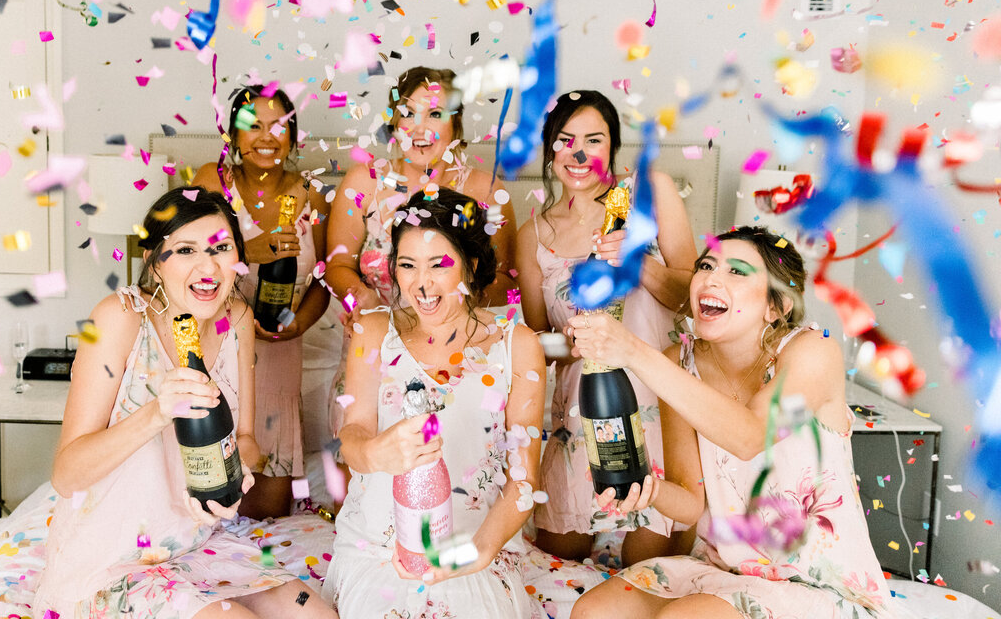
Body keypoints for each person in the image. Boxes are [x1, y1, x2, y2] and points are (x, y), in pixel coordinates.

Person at [32, 187, 335, 619]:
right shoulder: (118, 318)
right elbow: (66, 475)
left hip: (199, 543)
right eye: (186, 250)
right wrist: (157, 412)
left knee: (315, 615)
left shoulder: (238, 318)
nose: (207, 266)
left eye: (221, 248)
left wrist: (238, 474)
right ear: (156, 262)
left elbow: (247, 442)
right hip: (116, 556)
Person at [569, 227, 893, 619]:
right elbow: (690, 503)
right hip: (724, 569)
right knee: (593, 612)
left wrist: (632, 351)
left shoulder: (813, 353)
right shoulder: (679, 362)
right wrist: (647, 490)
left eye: (737, 272)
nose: (712, 278)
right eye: (706, 266)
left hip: (817, 585)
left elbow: (750, 436)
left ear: (776, 306)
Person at [323, 188, 545, 618]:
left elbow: (524, 479)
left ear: (472, 265)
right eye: (407, 266)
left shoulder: (518, 344)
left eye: (438, 266)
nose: (420, 285)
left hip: (478, 543)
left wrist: (478, 552)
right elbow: (352, 438)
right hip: (382, 547)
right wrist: (373, 451)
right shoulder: (372, 331)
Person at [515, 90, 695, 564]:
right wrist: (574, 344)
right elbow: (538, 344)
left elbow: (693, 297)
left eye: (593, 140)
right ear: (549, 147)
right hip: (580, 419)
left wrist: (641, 266)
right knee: (558, 575)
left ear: (612, 147)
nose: (579, 153)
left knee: (647, 575)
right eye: (565, 139)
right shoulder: (532, 236)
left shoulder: (647, 194)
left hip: (655, 414)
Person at [324, 65, 519, 484]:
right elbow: (337, 266)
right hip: (374, 350)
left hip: (454, 353)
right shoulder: (364, 181)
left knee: (452, 475)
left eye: (434, 114)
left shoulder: (485, 190)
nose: (419, 127)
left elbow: (505, 280)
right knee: (367, 476)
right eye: (408, 113)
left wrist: (450, 308)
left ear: (456, 124)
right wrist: (365, 300)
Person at [193, 85, 329, 519]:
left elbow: (324, 281)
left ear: (293, 136)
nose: (266, 136)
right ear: (233, 135)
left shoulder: (313, 195)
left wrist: (298, 324)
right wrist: (250, 251)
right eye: (253, 125)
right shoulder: (210, 182)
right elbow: (183, 259)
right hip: (218, 343)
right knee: (206, 497)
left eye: (278, 126)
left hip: (278, 354)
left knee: (267, 519)